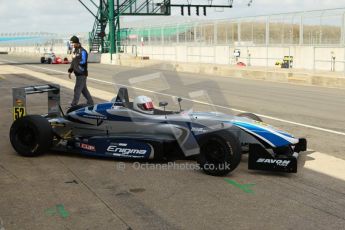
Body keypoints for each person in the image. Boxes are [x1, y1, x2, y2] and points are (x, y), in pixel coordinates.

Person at [68, 35, 94, 106]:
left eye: (73, 43)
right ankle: (90, 102)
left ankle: (74, 104)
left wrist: (75, 57)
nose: (72, 45)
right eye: (71, 43)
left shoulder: (83, 51)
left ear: (76, 42)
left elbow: (83, 61)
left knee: (77, 89)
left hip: (82, 73)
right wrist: (70, 71)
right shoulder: (75, 51)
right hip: (77, 74)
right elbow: (73, 62)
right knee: (84, 90)